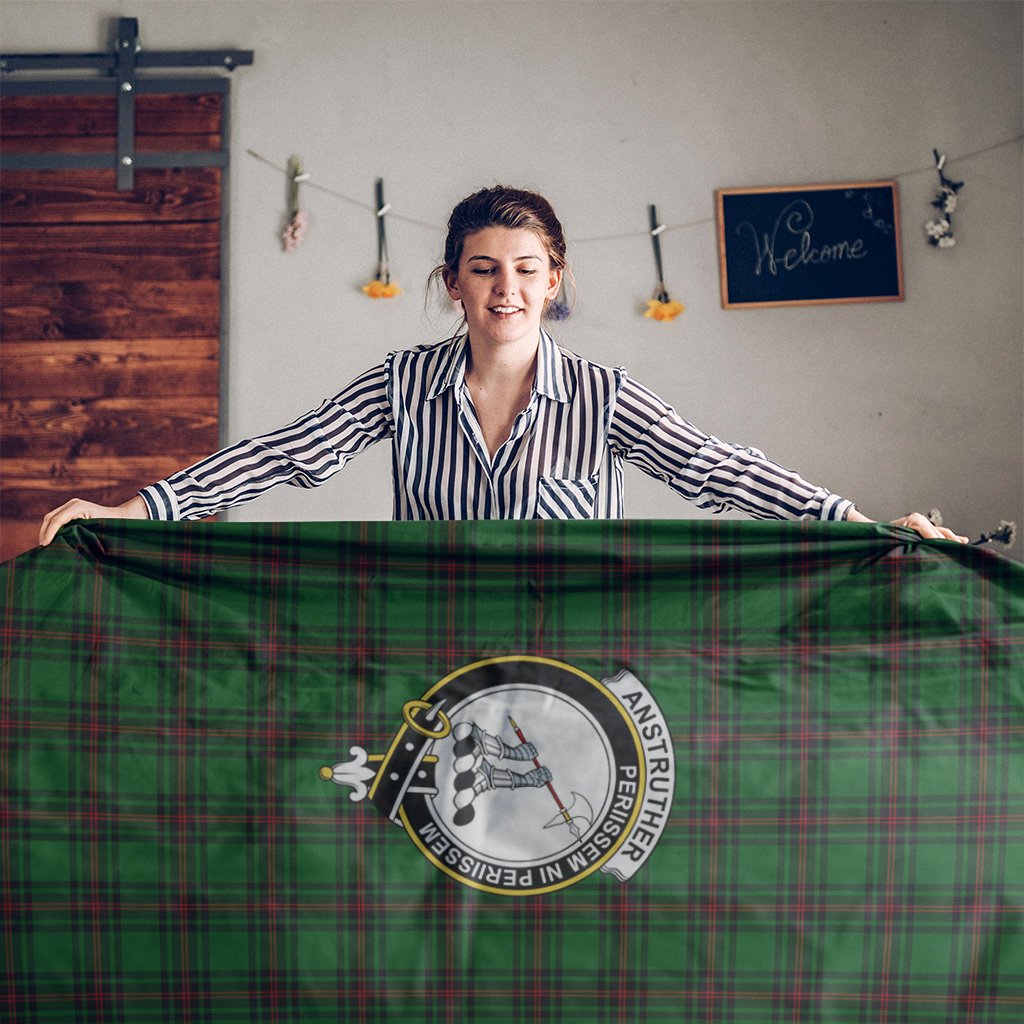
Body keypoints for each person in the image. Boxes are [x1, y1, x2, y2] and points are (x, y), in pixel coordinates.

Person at [38, 186, 968, 546]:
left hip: (582, 663)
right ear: (453, 283)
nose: (506, 289)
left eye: (527, 271)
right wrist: (134, 511)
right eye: (484, 270)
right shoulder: (401, 382)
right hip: (435, 657)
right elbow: (284, 455)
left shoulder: (604, 397)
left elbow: (718, 468)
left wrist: (859, 523)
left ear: (555, 281)